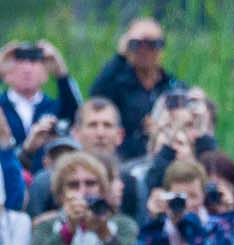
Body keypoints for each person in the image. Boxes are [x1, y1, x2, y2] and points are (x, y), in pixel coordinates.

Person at [87, 16, 174, 160]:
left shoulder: (171, 85)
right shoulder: (118, 84)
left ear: (161, 48)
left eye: (153, 44)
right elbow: (95, 98)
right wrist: (120, 56)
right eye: (137, 44)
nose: (144, 50)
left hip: (162, 158)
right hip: (124, 159)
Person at [3, 39, 81, 173]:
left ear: (45, 74)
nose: (27, 69)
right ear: (6, 74)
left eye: (34, 62)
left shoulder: (54, 108)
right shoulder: (2, 107)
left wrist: (61, 72)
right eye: (20, 61)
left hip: (45, 180)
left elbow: (78, 114)